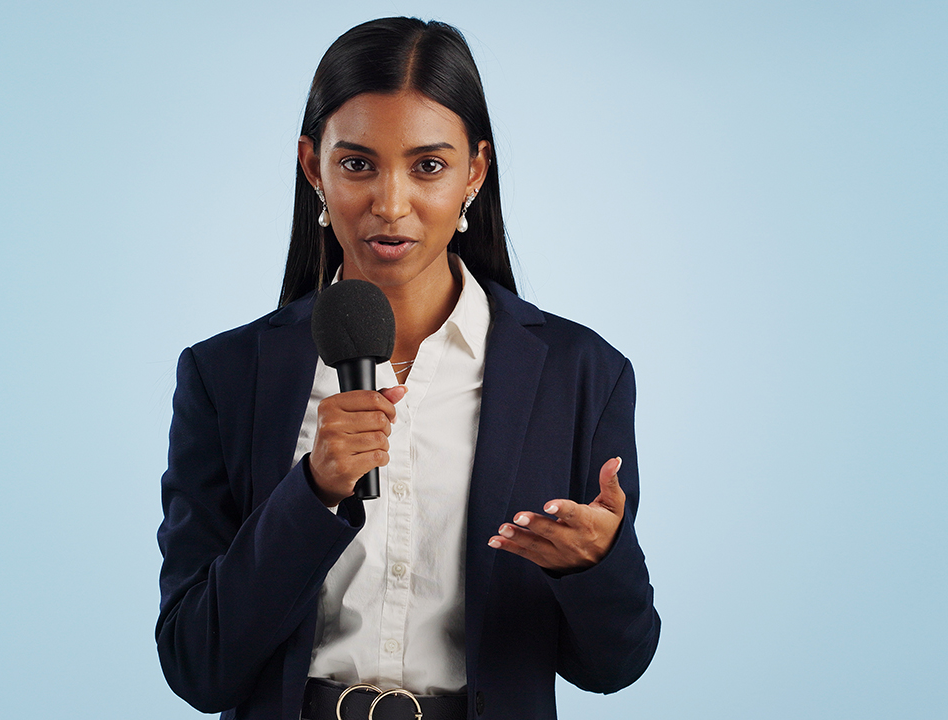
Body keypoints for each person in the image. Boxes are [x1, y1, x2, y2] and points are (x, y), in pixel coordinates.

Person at [156, 17, 660, 720]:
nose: (390, 205)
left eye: (428, 166)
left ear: (473, 173)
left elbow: (614, 666)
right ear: (313, 167)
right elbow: (194, 668)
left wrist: (592, 568)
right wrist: (312, 492)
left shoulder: (580, 375)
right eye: (357, 164)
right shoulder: (225, 375)